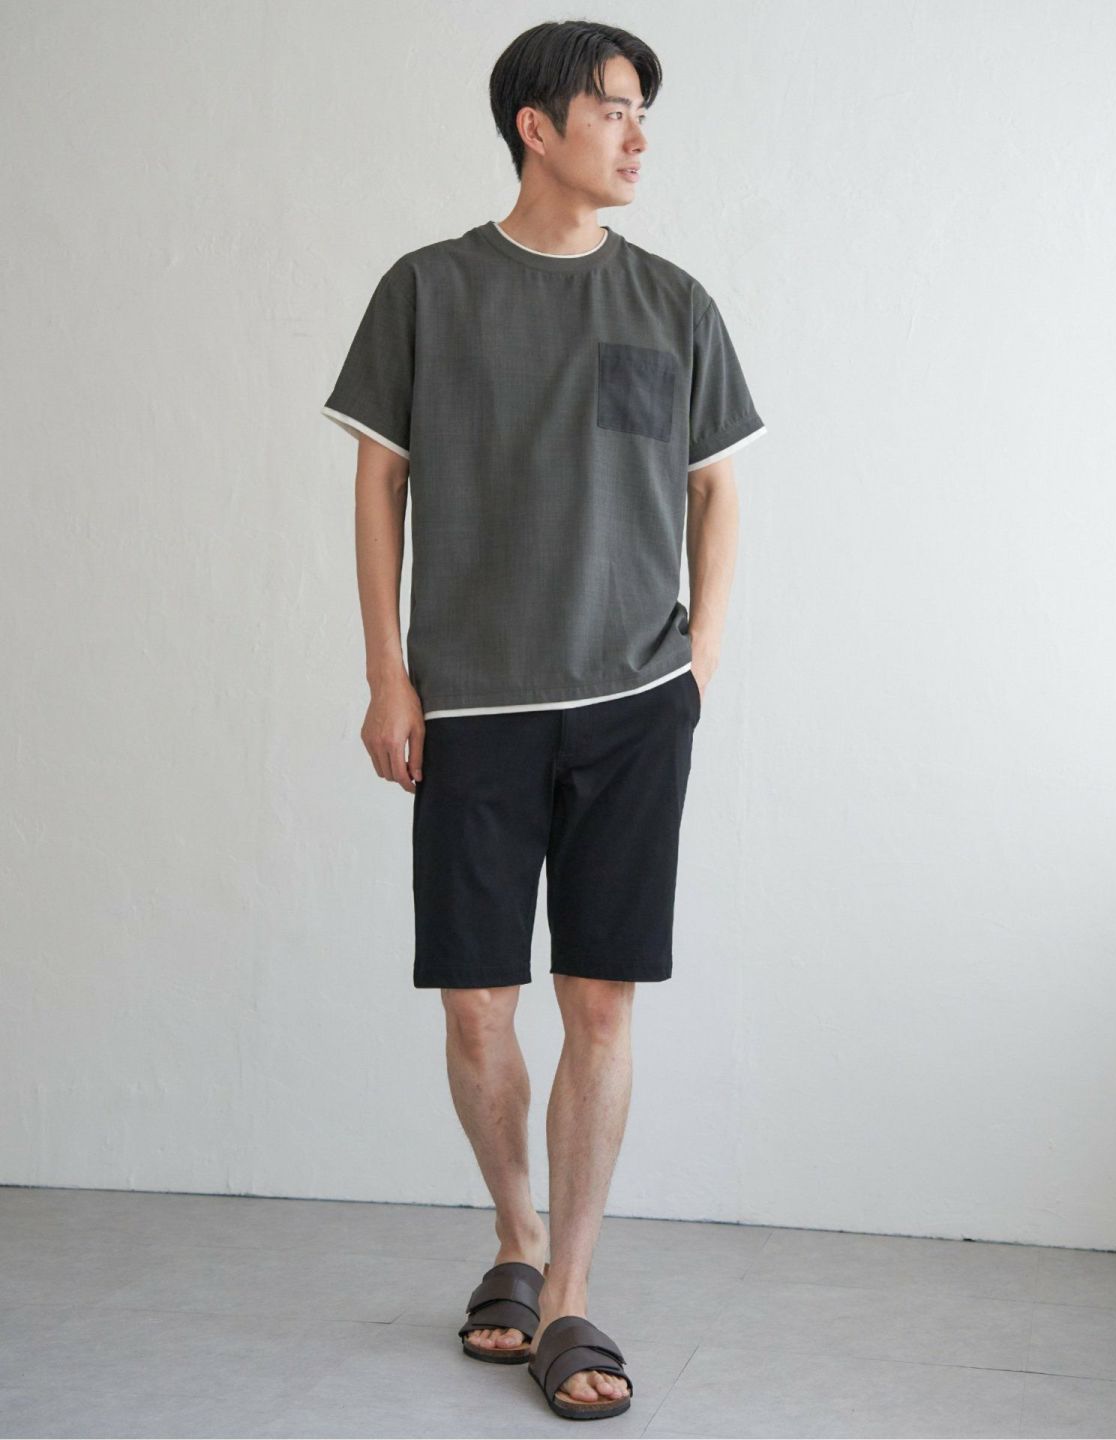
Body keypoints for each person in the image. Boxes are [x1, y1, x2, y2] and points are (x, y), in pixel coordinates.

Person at [321, 19, 765, 1422]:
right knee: (475, 1006)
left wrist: (699, 662)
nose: (638, 135)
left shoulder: (673, 302)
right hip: (472, 705)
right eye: (615, 109)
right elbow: (379, 482)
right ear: (536, 124)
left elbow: (716, 487)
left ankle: (567, 1289)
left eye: (643, 113)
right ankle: (513, 1233)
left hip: (633, 704)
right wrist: (388, 674)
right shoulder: (428, 289)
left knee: (600, 1000)